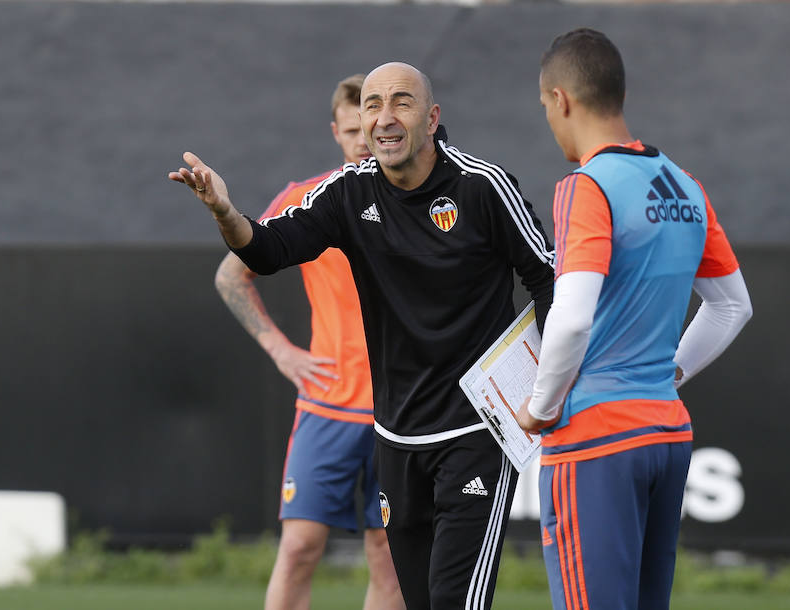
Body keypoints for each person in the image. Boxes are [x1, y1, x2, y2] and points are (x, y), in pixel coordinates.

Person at [170, 62, 555, 609]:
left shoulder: (483, 187)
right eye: (372, 105)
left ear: (432, 116)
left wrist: (545, 387)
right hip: (395, 433)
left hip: (478, 431)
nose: (383, 118)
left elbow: (550, 280)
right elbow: (267, 250)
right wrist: (225, 212)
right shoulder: (348, 192)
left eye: (401, 102)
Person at [516, 28, 753, 610]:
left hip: (595, 440)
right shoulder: (684, 185)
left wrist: (540, 408)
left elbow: (571, 321)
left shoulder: (585, 186)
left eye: (545, 104)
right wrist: (666, 375)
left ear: (561, 99)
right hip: (666, 434)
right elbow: (733, 306)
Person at [213, 74, 404, 610]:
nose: (362, 140)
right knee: (298, 547)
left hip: (402, 409)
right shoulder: (307, 199)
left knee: (388, 560)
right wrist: (280, 349)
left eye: (369, 126)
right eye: (350, 130)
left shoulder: (421, 203)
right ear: (336, 132)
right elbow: (232, 275)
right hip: (329, 404)